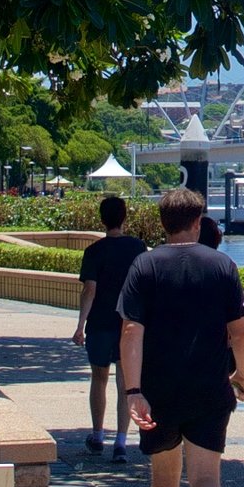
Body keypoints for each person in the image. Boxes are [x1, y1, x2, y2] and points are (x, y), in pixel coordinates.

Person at [118, 188, 244, 487]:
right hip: (210, 388)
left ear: (163, 223)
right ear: (199, 221)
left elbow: (130, 331)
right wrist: (243, 374)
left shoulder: (144, 265)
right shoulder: (222, 265)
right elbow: (242, 331)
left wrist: (133, 391)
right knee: (206, 478)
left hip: (159, 392)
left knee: (164, 476)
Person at [72, 195, 147, 461]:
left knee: (99, 378)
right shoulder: (137, 248)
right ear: (124, 217)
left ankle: (97, 435)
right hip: (129, 325)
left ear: (102, 219)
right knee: (125, 383)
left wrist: (80, 325)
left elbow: (89, 290)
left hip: (100, 324)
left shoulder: (94, 251)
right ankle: (121, 442)